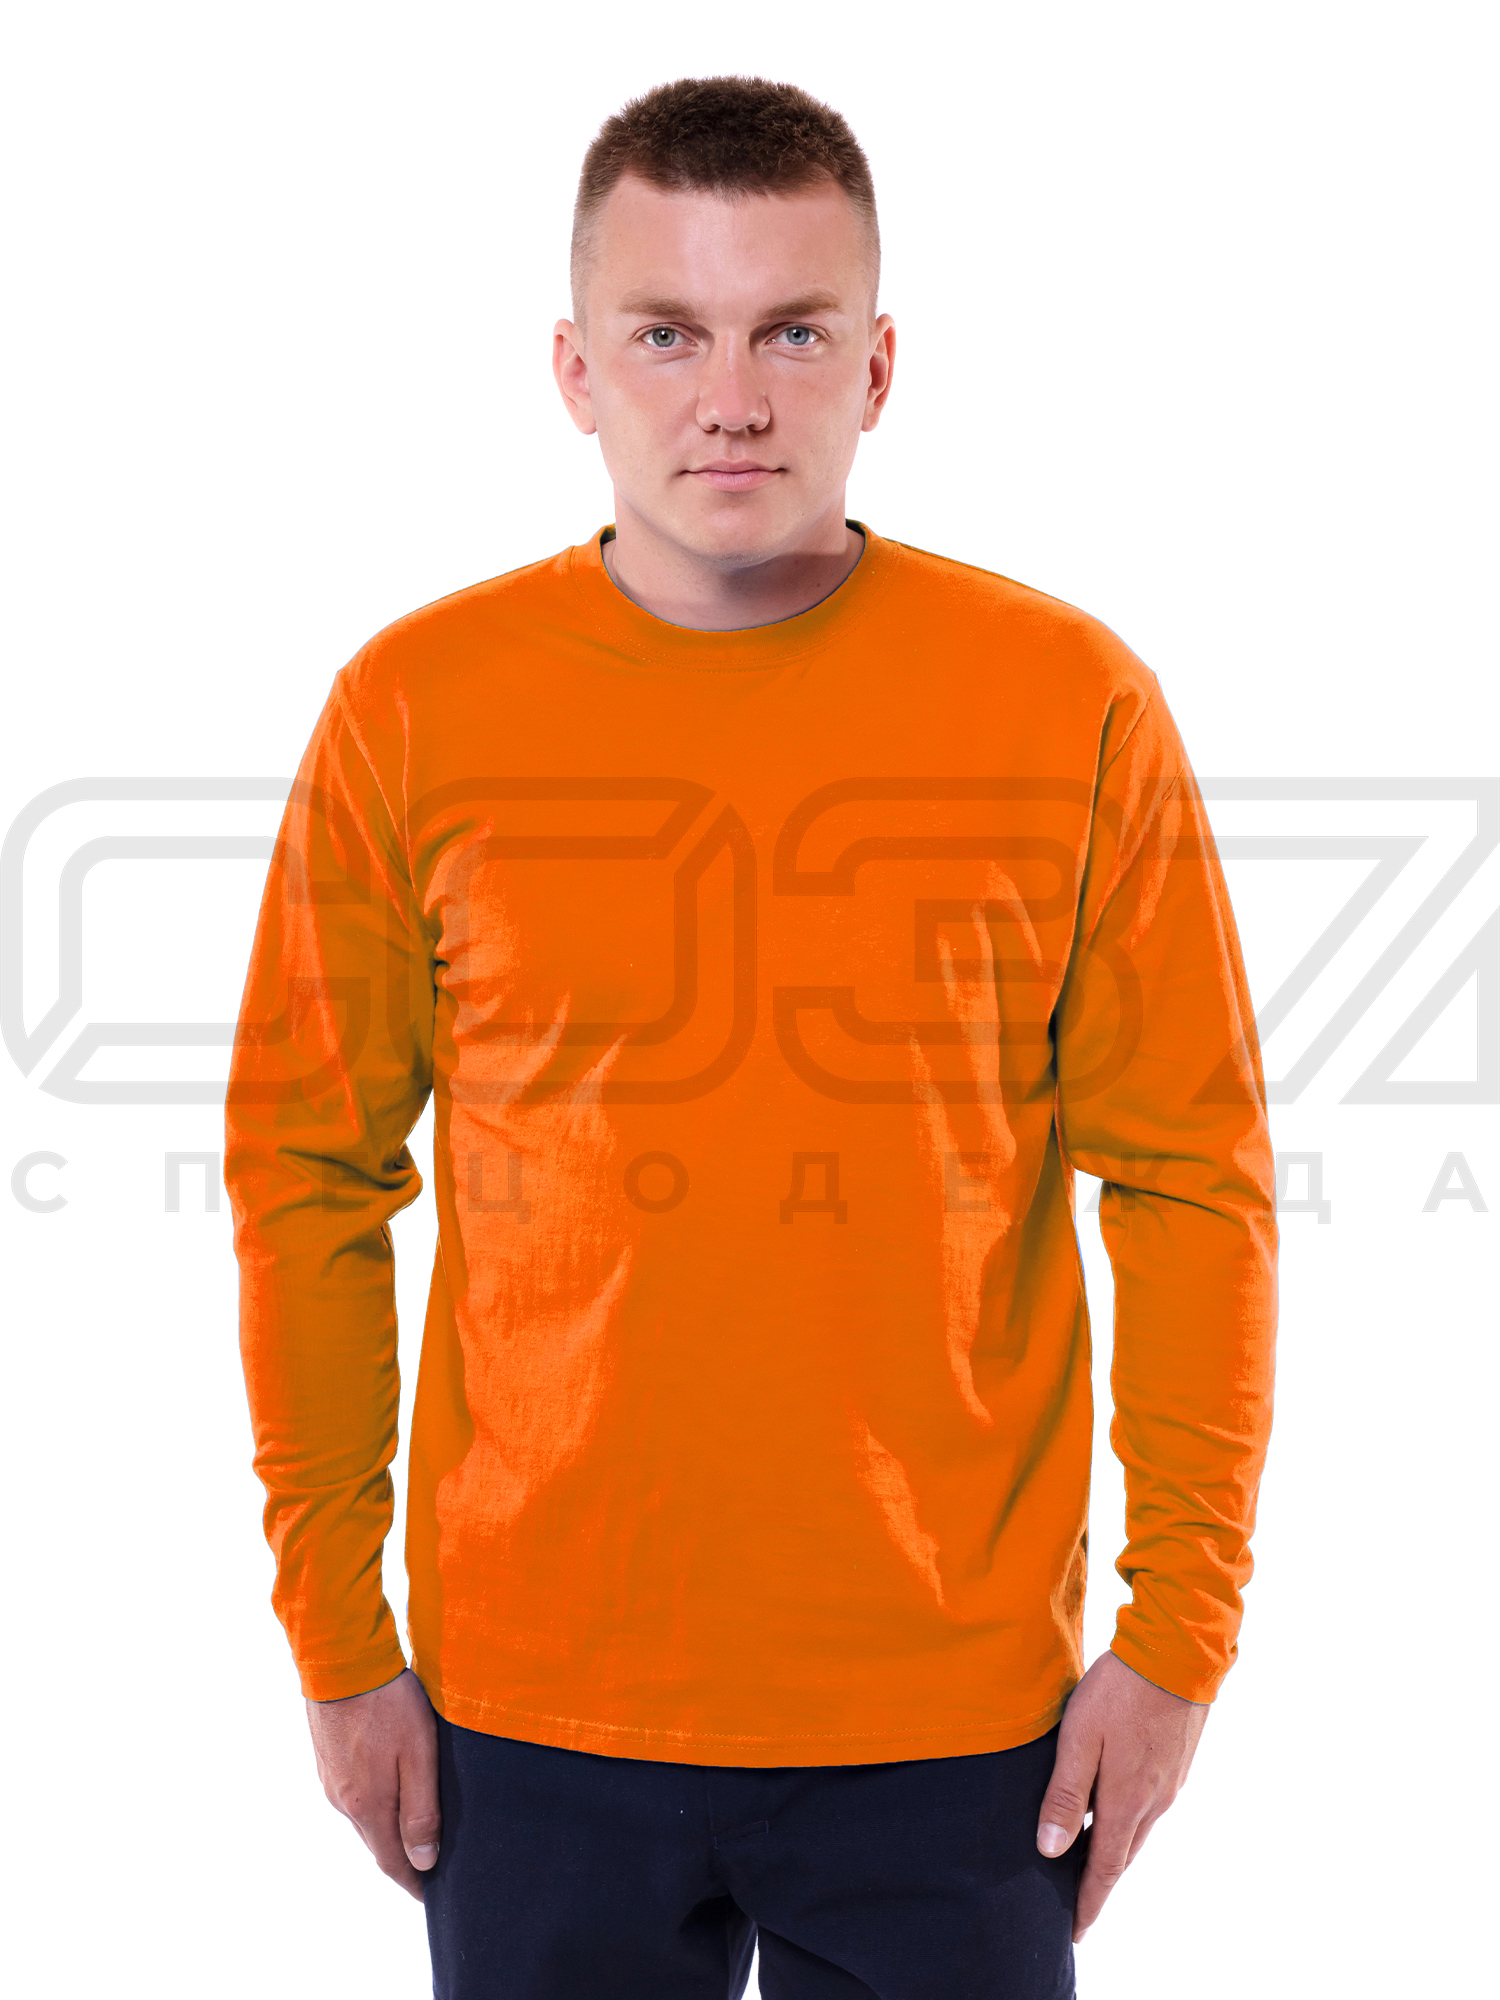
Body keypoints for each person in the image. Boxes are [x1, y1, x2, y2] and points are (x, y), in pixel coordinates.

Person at [225, 74, 1277, 2000]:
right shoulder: (413, 709)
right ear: (574, 370)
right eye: (667, 333)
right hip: (532, 1711)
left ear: (878, 368)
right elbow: (304, 1178)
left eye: (791, 332)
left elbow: (1193, 1181)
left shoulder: (1068, 702)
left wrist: (1180, 1637)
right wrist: (337, 1639)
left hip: (958, 1720)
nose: (730, 397)